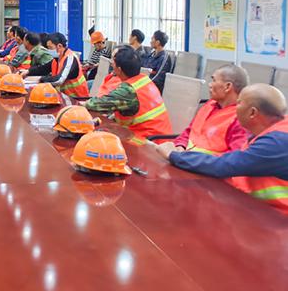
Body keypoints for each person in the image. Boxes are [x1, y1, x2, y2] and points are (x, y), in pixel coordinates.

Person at [157, 84, 288, 214]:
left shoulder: (276, 142)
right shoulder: (273, 131)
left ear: (252, 112)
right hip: (257, 208)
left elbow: (224, 165)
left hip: (276, 218)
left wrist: (173, 155)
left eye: (239, 103)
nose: (235, 109)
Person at [85, 45, 171, 143]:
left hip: (148, 142)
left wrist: (81, 105)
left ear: (119, 69)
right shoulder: (143, 79)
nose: (111, 64)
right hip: (158, 138)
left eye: (113, 62)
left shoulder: (128, 91)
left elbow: (95, 105)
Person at [172, 65, 249, 155]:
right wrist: (180, 145)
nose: (210, 84)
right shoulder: (209, 105)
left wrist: (190, 159)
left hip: (200, 163)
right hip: (183, 158)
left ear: (227, 87)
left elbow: (234, 158)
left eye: (214, 80)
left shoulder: (240, 119)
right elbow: (189, 132)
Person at [28, 32, 89, 98]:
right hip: (64, 97)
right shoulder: (57, 59)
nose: (48, 50)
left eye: (50, 47)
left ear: (59, 46)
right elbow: (44, 69)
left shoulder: (70, 58)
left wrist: (41, 79)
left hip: (78, 98)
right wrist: (28, 72)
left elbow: (59, 79)